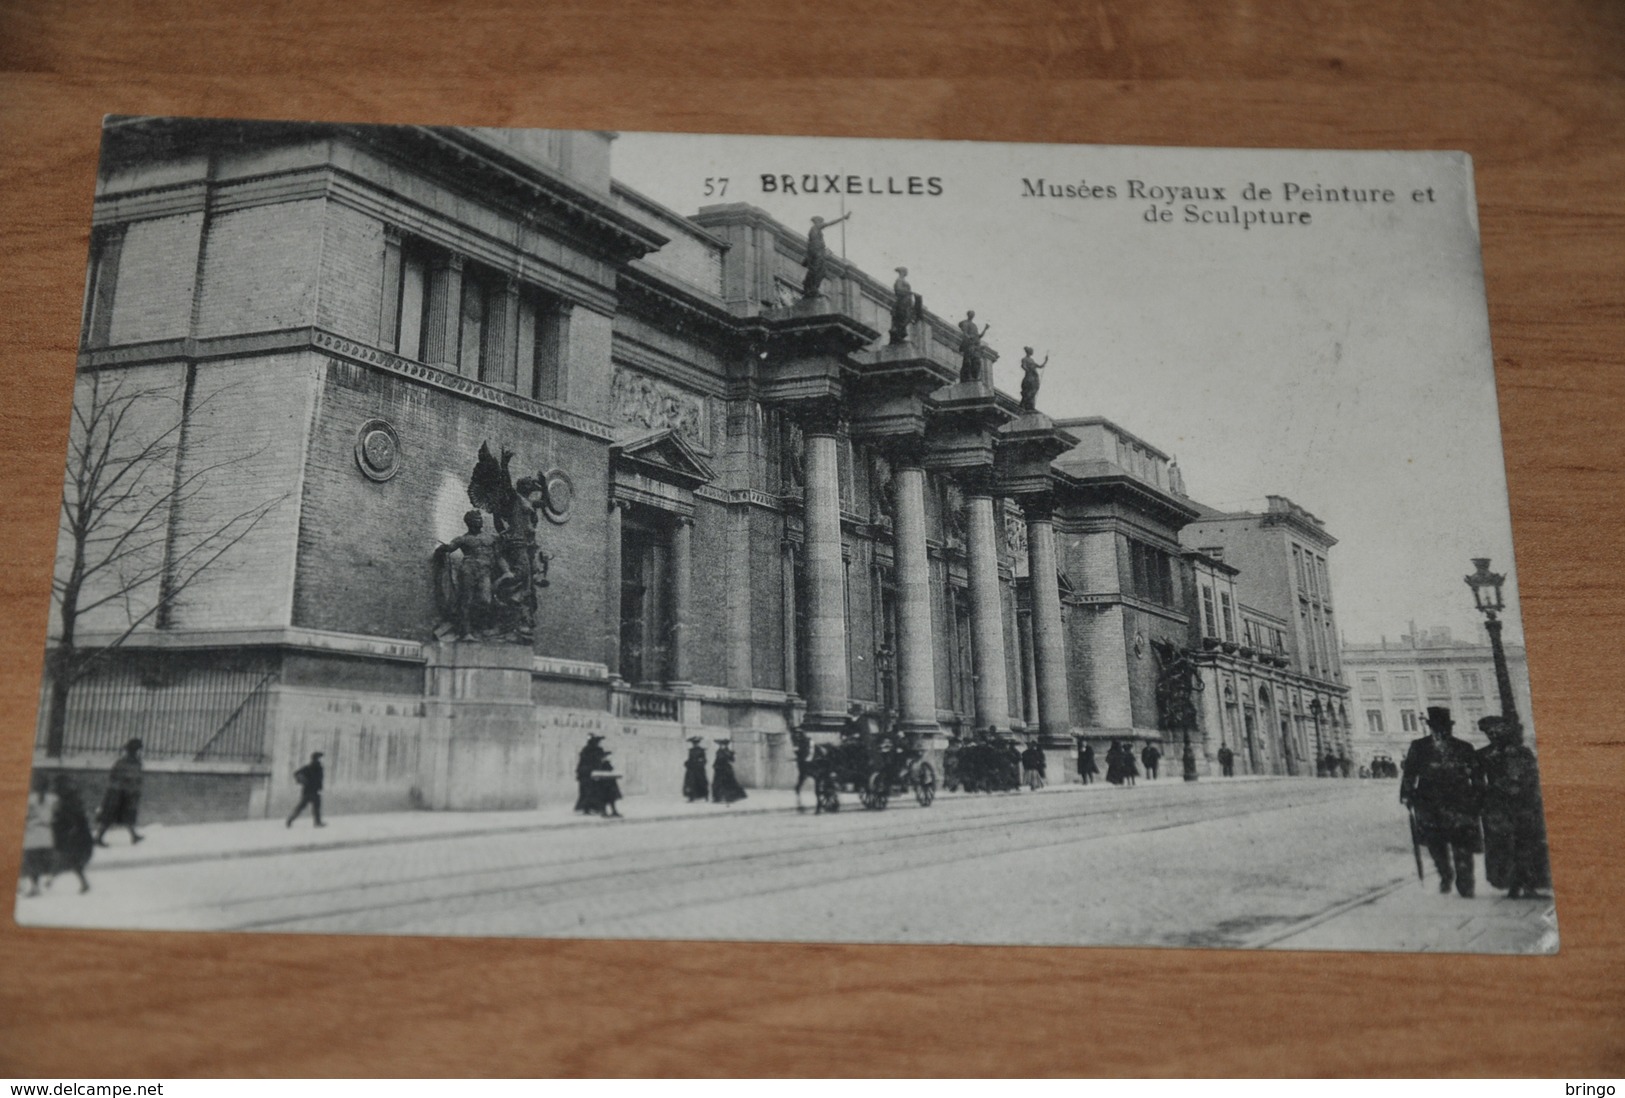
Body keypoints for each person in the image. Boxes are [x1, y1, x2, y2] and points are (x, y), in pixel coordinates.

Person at [1400, 706, 1482, 898]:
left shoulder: (1464, 747)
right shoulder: (1419, 746)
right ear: (1430, 727)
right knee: (1435, 844)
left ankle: (1465, 883)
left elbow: (1477, 776)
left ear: (1450, 728)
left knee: (1461, 845)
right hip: (1428, 803)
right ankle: (1445, 874)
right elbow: (1410, 773)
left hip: (1459, 802)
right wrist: (1406, 794)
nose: (1441, 731)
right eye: (1436, 727)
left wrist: (1477, 797)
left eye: (1444, 727)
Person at [1476, 716, 1551, 899]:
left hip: (1523, 804)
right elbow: (1477, 782)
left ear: (1505, 732)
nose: (1493, 735)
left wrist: (1526, 791)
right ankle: (1511, 885)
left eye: (1497, 731)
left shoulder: (1522, 752)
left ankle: (1530, 885)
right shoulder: (1482, 755)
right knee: (1503, 847)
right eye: (1489, 732)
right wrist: (1486, 798)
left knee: (1526, 844)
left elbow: (1533, 776)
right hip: (1497, 807)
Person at [95, 737, 144, 847]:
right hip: (118, 794)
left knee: (127, 815)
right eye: (138, 750)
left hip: (126, 794)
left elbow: (136, 779)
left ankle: (134, 836)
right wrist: (127, 786)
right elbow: (115, 778)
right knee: (110, 817)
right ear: (135, 751)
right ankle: (98, 838)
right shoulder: (124, 763)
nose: (140, 753)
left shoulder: (133, 763)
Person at [51, 775, 95, 894]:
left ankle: (51, 878)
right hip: (73, 833)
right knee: (69, 860)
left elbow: (73, 816)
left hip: (74, 833)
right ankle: (52, 879)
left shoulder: (69, 800)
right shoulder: (70, 798)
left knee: (68, 859)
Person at [20, 773, 57, 897]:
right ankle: (48, 877)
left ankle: (34, 886)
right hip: (47, 833)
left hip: (32, 833)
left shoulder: (29, 799)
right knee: (44, 859)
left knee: (31, 860)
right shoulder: (53, 798)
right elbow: (57, 815)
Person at [801, 212, 851, 299]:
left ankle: (811, 287)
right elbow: (830, 223)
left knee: (820, 271)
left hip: (817, 252)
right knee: (817, 271)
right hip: (816, 253)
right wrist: (843, 218)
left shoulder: (815, 230)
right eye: (820, 222)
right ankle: (811, 288)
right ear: (817, 222)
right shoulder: (815, 227)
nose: (822, 224)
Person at [287, 751, 326, 828]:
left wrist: (304, 782)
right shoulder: (310, 767)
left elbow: (297, 774)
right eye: (319, 758)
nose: (320, 760)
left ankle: (317, 822)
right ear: (316, 759)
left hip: (313, 791)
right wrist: (303, 781)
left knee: (314, 807)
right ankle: (290, 820)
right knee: (303, 807)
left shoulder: (316, 767)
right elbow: (297, 773)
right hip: (309, 791)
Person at [575, 734, 607, 814]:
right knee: (593, 791)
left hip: (584, 773)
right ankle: (593, 808)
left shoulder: (585, 749)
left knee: (585, 791)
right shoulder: (597, 750)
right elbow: (598, 761)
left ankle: (587, 808)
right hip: (592, 773)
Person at [712, 739, 747, 804]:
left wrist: (732, 755)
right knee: (717, 784)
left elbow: (732, 760)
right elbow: (717, 760)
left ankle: (731, 797)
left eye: (723, 745)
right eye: (720, 745)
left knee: (728, 783)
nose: (721, 746)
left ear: (726, 745)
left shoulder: (728, 752)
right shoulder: (718, 752)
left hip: (726, 770)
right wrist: (714, 765)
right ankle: (717, 798)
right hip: (719, 769)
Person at [1018, 347, 1048, 411]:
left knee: (1033, 391)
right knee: (1028, 391)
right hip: (1029, 375)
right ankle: (1026, 404)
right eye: (1031, 351)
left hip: (1034, 377)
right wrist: (1028, 370)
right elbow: (1023, 366)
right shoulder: (1024, 359)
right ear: (1029, 352)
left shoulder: (1032, 360)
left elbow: (1040, 366)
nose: (1032, 352)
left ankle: (1030, 405)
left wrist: (1045, 360)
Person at [683, 736, 709, 803]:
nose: (695, 744)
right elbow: (690, 759)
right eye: (694, 743)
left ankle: (705, 796)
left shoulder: (701, 750)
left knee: (702, 782)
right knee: (691, 783)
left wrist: (700, 763)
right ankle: (691, 797)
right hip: (692, 769)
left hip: (699, 769)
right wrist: (687, 763)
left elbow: (704, 760)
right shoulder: (691, 751)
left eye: (696, 743)